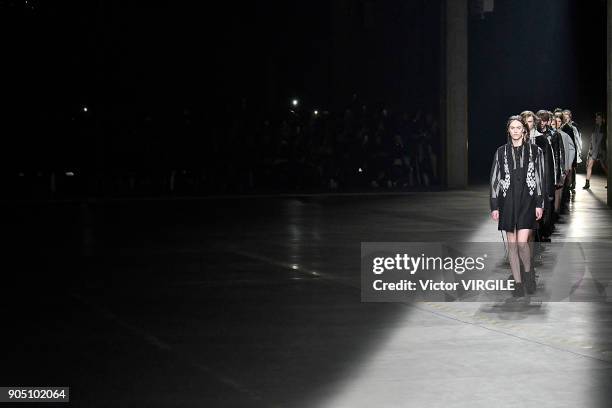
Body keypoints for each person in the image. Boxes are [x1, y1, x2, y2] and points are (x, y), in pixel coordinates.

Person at [490, 116, 545, 297]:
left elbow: (539, 179)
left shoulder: (535, 151)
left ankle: (528, 274)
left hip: (527, 201)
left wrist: (540, 203)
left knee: (522, 244)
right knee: (512, 246)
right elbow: (495, 180)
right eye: (512, 127)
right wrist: (495, 206)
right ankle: (518, 283)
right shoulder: (500, 152)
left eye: (518, 127)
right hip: (507, 203)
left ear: (524, 130)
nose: (515, 130)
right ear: (509, 130)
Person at [583, 112, 608, 189]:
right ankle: (587, 183)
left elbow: (600, 141)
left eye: (598, 118)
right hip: (593, 149)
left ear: (602, 119)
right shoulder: (594, 127)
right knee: (589, 165)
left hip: (601, 150)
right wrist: (589, 151)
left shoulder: (604, 128)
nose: (597, 119)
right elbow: (592, 140)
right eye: (596, 118)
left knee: (604, 167)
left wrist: (595, 151)